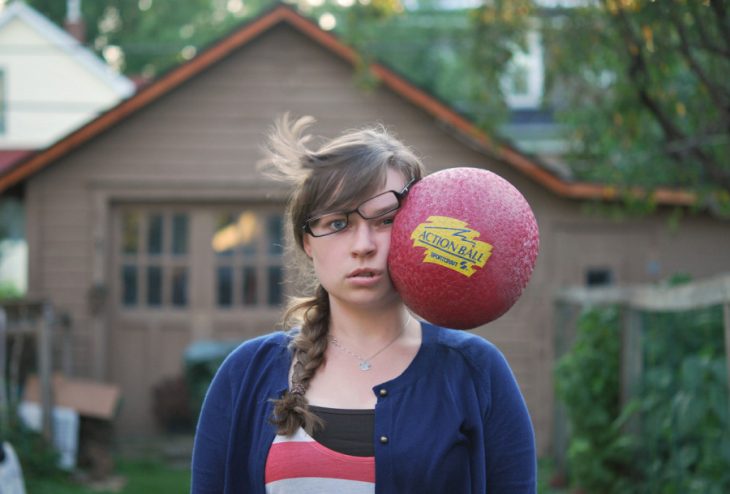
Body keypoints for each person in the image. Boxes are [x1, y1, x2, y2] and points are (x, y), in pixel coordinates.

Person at [191, 115, 536, 493]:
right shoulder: (245, 374)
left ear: (420, 227)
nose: (363, 245)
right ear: (308, 243)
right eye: (338, 223)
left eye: (385, 220)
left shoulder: (476, 373)